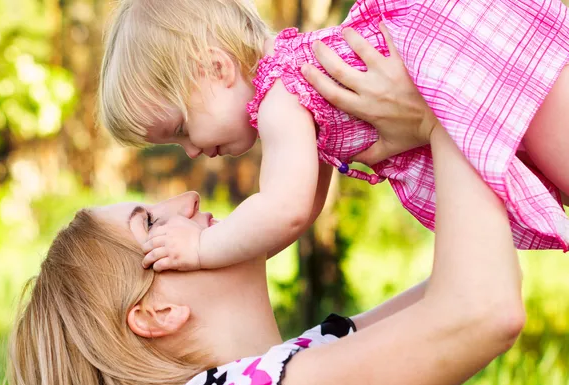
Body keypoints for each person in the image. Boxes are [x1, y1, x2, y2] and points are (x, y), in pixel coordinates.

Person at [8, 30, 525, 385]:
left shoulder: (279, 379)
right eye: (150, 223)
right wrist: (446, 102)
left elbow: (471, 280)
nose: (188, 198)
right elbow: (480, 310)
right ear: (156, 310)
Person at [98, 0, 569, 275]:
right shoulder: (297, 86)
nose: (193, 151)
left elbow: (285, 209)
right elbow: (301, 214)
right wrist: (233, 256)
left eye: (181, 131)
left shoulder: (282, 96)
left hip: (466, 61)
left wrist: (202, 250)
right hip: (470, 64)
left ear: (216, 69)